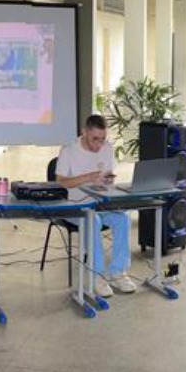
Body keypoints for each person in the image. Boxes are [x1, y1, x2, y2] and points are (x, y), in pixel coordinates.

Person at [53, 114, 135, 298]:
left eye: (102, 139)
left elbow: (108, 176)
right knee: (93, 220)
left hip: (100, 203)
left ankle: (117, 272)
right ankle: (96, 276)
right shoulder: (69, 150)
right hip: (73, 207)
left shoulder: (107, 148)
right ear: (84, 132)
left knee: (122, 219)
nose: (99, 144)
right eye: (94, 139)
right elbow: (61, 182)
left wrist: (108, 180)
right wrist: (89, 177)